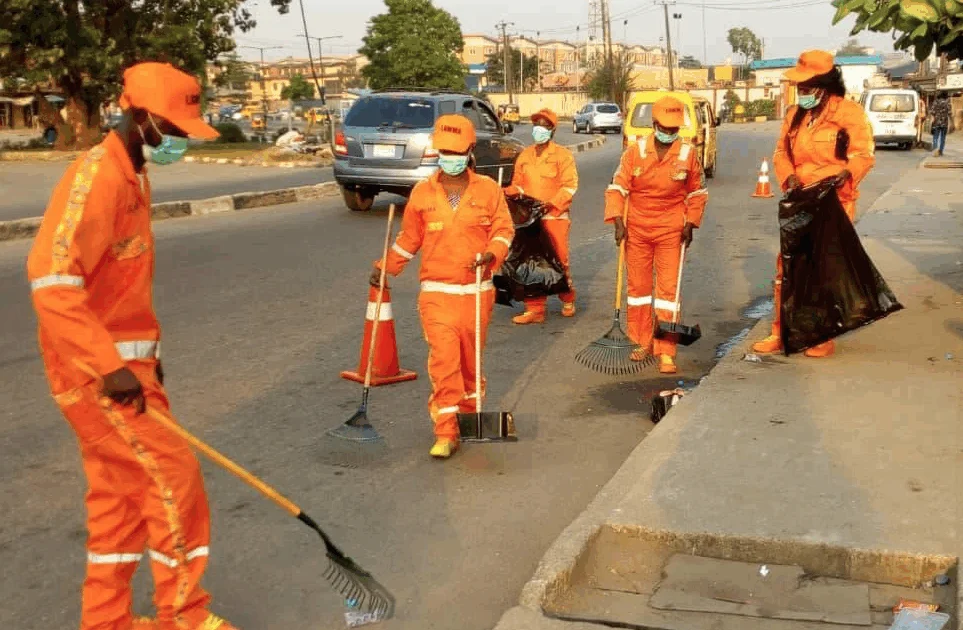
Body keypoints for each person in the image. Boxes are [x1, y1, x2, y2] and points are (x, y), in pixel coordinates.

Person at [26, 63, 237, 630]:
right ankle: (185, 617)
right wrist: (110, 368)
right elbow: (51, 279)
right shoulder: (96, 178)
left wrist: (148, 354)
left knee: (119, 497)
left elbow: (120, 290)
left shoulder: (133, 172)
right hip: (96, 373)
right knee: (174, 480)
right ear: (140, 116)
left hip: (125, 365)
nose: (181, 141)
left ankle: (105, 620)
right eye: (175, 128)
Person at [369, 114, 514, 459]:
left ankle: (468, 419)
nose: (449, 158)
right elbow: (409, 239)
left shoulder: (489, 190)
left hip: (478, 294)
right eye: (443, 152)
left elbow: (504, 231)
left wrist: (492, 255)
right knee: (444, 359)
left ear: (468, 151)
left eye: (455, 151)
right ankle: (445, 431)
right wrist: (385, 268)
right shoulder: (422, 193)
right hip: (437, 293)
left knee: (470, 363)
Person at [752, 50, 876, 359]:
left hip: (834, 201)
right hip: (801, 199)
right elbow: (781, 152)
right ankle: (781, 332)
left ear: (822, 85)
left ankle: (821, 334)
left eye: (806, 87)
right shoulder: (795, 114)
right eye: (799, 88)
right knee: (789, 266)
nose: (801, 93)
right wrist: (789, 177)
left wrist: (847, 174)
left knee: (822, 268)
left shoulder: (848, 113)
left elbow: (863, 153)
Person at [604, 96, 708, 375]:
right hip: (636, 228)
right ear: (654, 124)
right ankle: (640, 341)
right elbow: (617, 188)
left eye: (675, 129)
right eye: (666, 128)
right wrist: (617, 220)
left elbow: (697, 193)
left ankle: (666, 350)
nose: (670, 133)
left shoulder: (687, 154)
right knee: (638, 291)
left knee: (667, 293)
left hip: (671, 229)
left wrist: (691, 223)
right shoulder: (634, 152)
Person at [505, 108, 579, 323]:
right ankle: (535, 309)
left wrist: (551, 205)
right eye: (536, 126)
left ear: (552, 130)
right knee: (530, 262)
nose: (540, 130)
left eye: (545, 127)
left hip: (554, 216)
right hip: (529, 219)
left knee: (558, 260)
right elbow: (518, 184)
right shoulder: (525, 155)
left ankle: (567, 298)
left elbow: (570, 186)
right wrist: (509, 192)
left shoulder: (562, 155)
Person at [930, 91, 951, 157]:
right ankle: (940, 151)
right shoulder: (948, 103)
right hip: (945, 123)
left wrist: (932, 122)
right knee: (943, 138)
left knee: (935, 136)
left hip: (936, 122)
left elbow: (932, 113)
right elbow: (950, 114)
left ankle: (935, 150)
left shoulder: (935, 102)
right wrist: (951, 123)